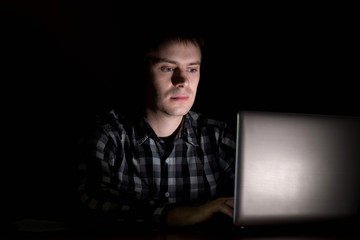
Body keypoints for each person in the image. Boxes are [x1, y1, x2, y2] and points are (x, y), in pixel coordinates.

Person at [75, 28, 236, 233]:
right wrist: (181, 214)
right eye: (168, 68)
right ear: (142, 71)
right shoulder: (108, 134)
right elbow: (90, 197)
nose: (183, 80)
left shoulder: (217, 135)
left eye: (192, 69)